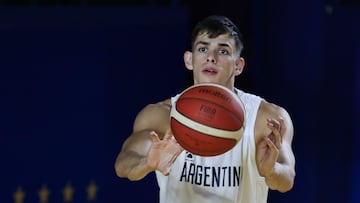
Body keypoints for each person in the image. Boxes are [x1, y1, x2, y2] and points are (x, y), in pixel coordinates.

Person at [114, 15, 296, 203]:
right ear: (189, 60)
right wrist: (147, 163)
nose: (211, 57)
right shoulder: (161, 115)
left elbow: (287, 178)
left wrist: (271, 171)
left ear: (238, 66)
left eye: (223, 51)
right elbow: (124, 164)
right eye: (203, 49)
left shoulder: (264, 117)